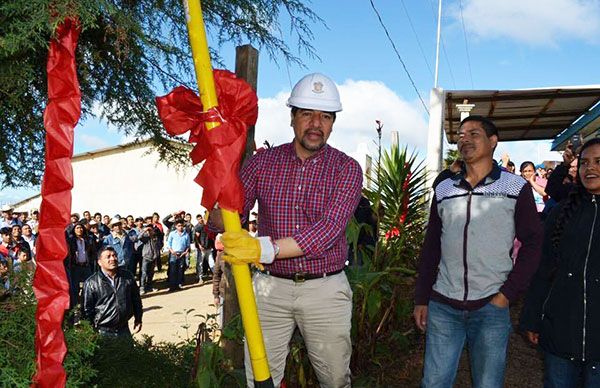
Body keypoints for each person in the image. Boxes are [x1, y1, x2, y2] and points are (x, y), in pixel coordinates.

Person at [215, 73, 362, 387]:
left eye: (324, 116)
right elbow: (226, 216)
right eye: (307, 113)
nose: (315, 123)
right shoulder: (262, 163)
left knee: (335, 378)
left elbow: (329, 230)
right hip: (271, 289)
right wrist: (220, 171)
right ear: (293, 117)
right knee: (261, 377)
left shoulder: (346, 168)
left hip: (325, 289)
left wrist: (263, 249)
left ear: (333, 123)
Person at [413, 115, 543, 388]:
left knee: (488, 383)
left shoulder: (514, 187)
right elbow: (432, 246)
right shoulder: (445, 188)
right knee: (433, 382)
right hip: (443, 303)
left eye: (474, 134)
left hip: (490, 306)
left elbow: (533, 243)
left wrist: (507, 294)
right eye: (461, 135)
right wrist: (422, 297)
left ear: (493, 141)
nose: (465, 139)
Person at [520, 138, 600, 387]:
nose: (590, 168)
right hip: (561, 330)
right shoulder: (562, 212)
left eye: (598, 162)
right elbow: (543, 269)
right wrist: (532, 316)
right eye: (584, 162)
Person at [81, 246, 142, 338]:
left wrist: (138, 319)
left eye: (114, 255)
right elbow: (86, 311)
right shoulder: (91, 283)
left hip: (124, 330)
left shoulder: (127, 276)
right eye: (108, 257)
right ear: (99, 262)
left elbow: (136, 300)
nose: (113, 259)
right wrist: (90, 332)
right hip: (103, 332)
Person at [67, 223, 95, 308]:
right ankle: (75, 306)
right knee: (75, 288)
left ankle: (87, 304)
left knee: (89, 286)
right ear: (74, 230)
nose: (80, 230)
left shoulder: (88, 239)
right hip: (75, 266)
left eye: (81, 228)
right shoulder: (71, 240)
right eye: (77, 228)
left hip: (86, 266)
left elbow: (93, 252)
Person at [166, 218, 190, 291]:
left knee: (180, 270)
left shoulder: (186, 235)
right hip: (174, 254)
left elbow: (188, 245)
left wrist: (185, 252)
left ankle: (178, 285)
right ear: (176, 226)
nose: (180, 227)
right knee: (173, 270)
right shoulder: (172, 234)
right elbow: (169, 244)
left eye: (182, 225)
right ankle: (172, 286)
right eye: (179, 226)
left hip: (182, 254)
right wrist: (172, 251)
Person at [137, 223, 160, 294]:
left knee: (151, 273)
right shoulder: (145, 238)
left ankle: (149, 285)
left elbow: (157, 246)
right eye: (148, 230)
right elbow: (139, 237)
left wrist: (156, 255)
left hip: (153, 257)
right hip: (146, 257)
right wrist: (144, 230)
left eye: (150, 229)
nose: (149, 231)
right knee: (144, 273)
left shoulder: (155, 237)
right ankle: (142, 287)